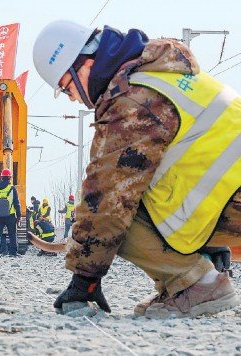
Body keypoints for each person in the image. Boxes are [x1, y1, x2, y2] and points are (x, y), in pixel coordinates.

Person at [33, 20, 241, 318]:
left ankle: (197, 284)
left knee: (119, 211)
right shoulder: (165, 73)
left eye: (68, 89)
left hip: (233, 202)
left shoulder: (132, 101)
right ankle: (192, 272)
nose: (75, 98)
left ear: (85, 65)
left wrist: (85, 279)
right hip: (231, 199)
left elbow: (106, 198)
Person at [0, 168, 22, 257]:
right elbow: (16, 203)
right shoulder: (12, 189)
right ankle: (13, 253)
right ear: (10, 178)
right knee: (12, 234)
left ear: (1, 178)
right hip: (10, 215)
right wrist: (19, 215)